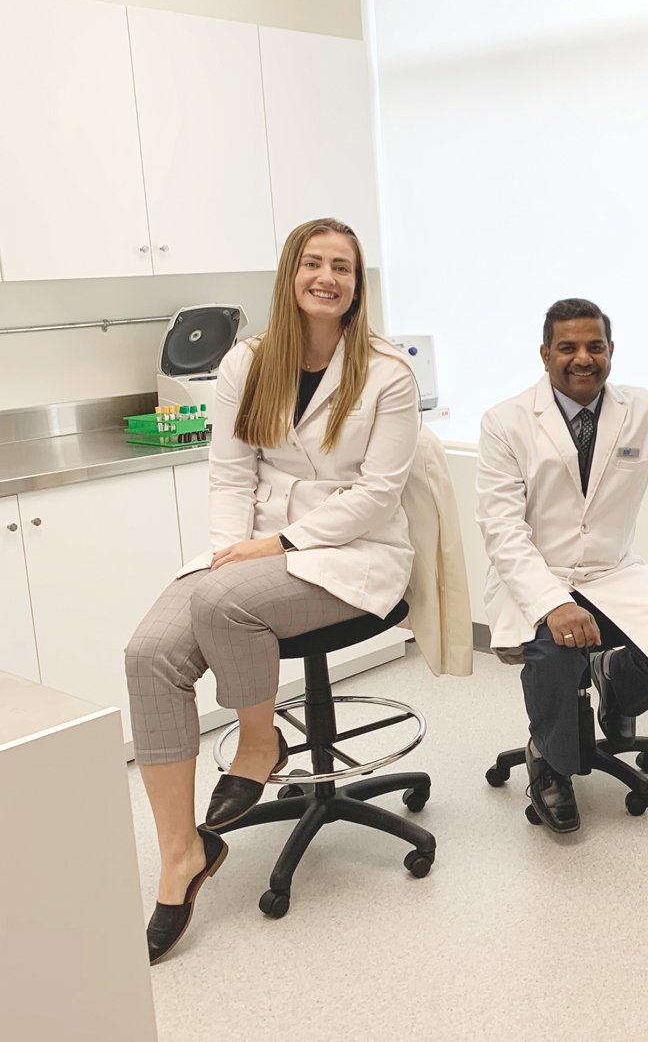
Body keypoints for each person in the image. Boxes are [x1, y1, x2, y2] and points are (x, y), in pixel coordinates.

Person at [125, 217, 421, 964]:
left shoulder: (387, 371)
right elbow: (231, 473)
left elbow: (380, 495)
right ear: (291, 273)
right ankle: (180, 856)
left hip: (354, 554)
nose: (328, 278)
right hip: (250, 548)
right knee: (148, 652)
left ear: (358, 285)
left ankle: (260, 744)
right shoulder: (246, 363)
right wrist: (233, 550)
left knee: (223, 602)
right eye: (314, 263)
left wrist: (277, 545)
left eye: (343, 268)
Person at [476, 298, 648, 833]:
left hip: (611, 573)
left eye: (594, 347)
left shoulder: (637, 410)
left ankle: (613, 683)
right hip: (537, 573)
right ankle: (549, 764)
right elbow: (502, 530)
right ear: (545, 354)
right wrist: (553, 603)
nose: (583, 359)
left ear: (610, 351)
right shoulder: (506, 421)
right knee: (555, 651)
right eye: (568, 348)